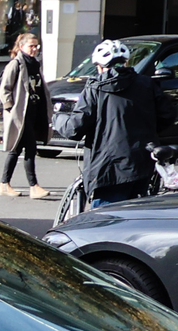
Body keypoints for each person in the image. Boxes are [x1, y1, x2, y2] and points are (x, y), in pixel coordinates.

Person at [70, 38, 168, 208]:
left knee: (103, 220)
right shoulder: (146, 84)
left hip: (108, 166)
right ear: (126, 62)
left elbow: (76, 127)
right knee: (134, 216)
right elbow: (167, 114)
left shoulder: (96, 87)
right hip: (142, 161)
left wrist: (57, 120)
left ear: (99, 66)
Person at [0, 32, 51, 199]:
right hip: (20, 113)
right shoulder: (16, 64)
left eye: (36, 46)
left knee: (17, 149)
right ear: (21, 47)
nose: (34, 49)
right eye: (31, 46)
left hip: (33, 112)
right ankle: (34, 186)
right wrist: (10, 108)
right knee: (30, 148)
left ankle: (4, 184)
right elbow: (4, 88)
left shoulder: (35, 64)